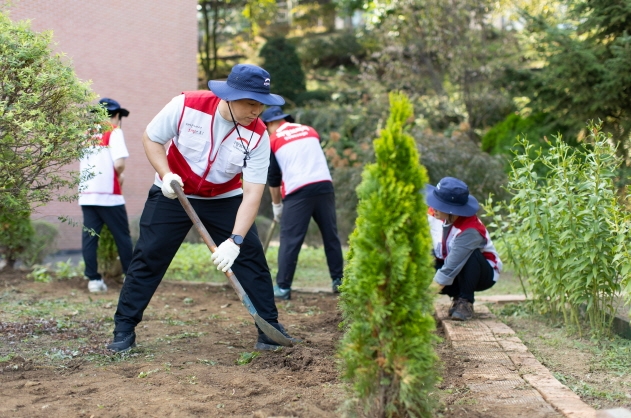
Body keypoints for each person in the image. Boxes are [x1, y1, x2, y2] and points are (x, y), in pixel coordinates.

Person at [107, 64, 299, 353]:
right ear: (229, 96)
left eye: (262, 103)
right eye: (250, 102)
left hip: (224, 196)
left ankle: (268, 329)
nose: (257, 110)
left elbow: (252, 193)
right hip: (173, 191)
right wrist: (166, 174)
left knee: (251, 259)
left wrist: (235, 241)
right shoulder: (186, 105)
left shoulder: (259, 136)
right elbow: (152, 138)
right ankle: (124, 328)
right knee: (149, 257)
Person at [260, 106, 344, 300]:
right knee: (331, 235)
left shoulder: (273, 140)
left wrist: (277, 206)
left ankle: (283, 287)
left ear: (271, 123)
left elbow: (273, 178)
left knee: (290, 239)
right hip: (324, 185)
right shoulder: (310, 131)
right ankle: (338, 281)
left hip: (298, 191)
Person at [425, 177, 502, 321]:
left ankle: (465, 301)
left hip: (480, 274)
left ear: (452, 211)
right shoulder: (434, 214)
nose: (432, 208)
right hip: (448, 265)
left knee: (470, 254)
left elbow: (449, 269)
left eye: (438, 205)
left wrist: (422, 301)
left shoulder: (470, 229)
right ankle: (456, 294)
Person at [79, 98, 133, 293]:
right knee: (122, 237)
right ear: (116, 115)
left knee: (90, 237)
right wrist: (121, 175)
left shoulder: (85, 134)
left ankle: (93, 280)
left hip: (87, 194)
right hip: (109, 194)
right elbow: (119, 164)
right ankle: (130, 276)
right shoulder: (114, 131)